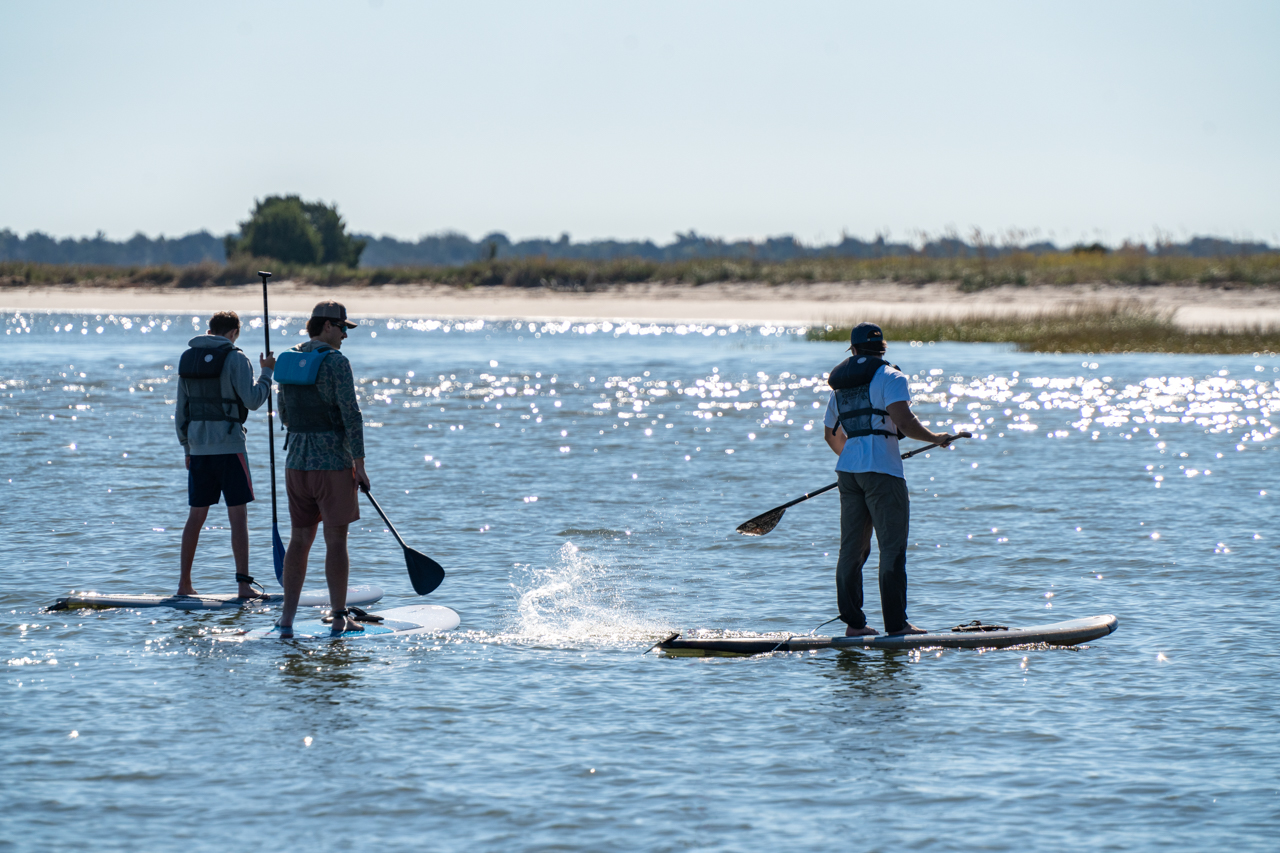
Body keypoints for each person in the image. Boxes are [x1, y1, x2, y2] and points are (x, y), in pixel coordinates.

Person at [822, 322, 966, 636]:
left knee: (852, 550)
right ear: (882, 348)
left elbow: (830, 435)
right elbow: (905, 421)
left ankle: (854, 625)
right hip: (883, 472)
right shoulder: (892, 377)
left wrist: (855, 458)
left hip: (848, 472)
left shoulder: (841, 385)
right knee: (892, 548)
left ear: (854, 350)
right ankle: (896, 626)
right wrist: (937, 437)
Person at [274, 301, 370, 637]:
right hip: (332, 465)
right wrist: (359, 464)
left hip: (296, 464)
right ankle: (340, 615)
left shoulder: (286, 359)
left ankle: (286, 620)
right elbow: (351, 415)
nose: (345, 335)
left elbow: (284, 415)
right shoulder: (337, 362)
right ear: (327, 326)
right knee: (336, 540)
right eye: (343, 327)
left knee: (299, 540)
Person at [175, 310, 275, 597]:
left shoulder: (188, 358)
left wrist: (186, 447)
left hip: (198, 449)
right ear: (234, 333)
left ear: (210, 330)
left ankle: (184, 585)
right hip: (230, 448)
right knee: (238, 518)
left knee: (195, 517)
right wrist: (267, 372)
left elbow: (180, 411)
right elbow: (254, 401)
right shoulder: (236, 358)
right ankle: (244, 586)